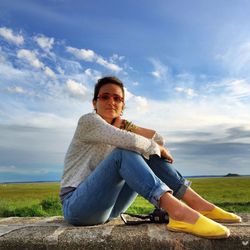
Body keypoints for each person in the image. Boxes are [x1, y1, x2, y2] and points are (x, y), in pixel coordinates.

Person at [60, 76, 241, 239]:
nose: (111, 102)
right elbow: (143, 144)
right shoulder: (88, 121)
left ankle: (200, 205)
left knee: (143, 150)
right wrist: (155, 147)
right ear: (94, 103)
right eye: (104, 97)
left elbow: (159, 141)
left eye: (117, 99)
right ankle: (179, 213)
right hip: (77, 206)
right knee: (126, 151)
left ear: (123, 106)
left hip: (109, 208)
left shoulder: (121, 129)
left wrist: (127, 125)